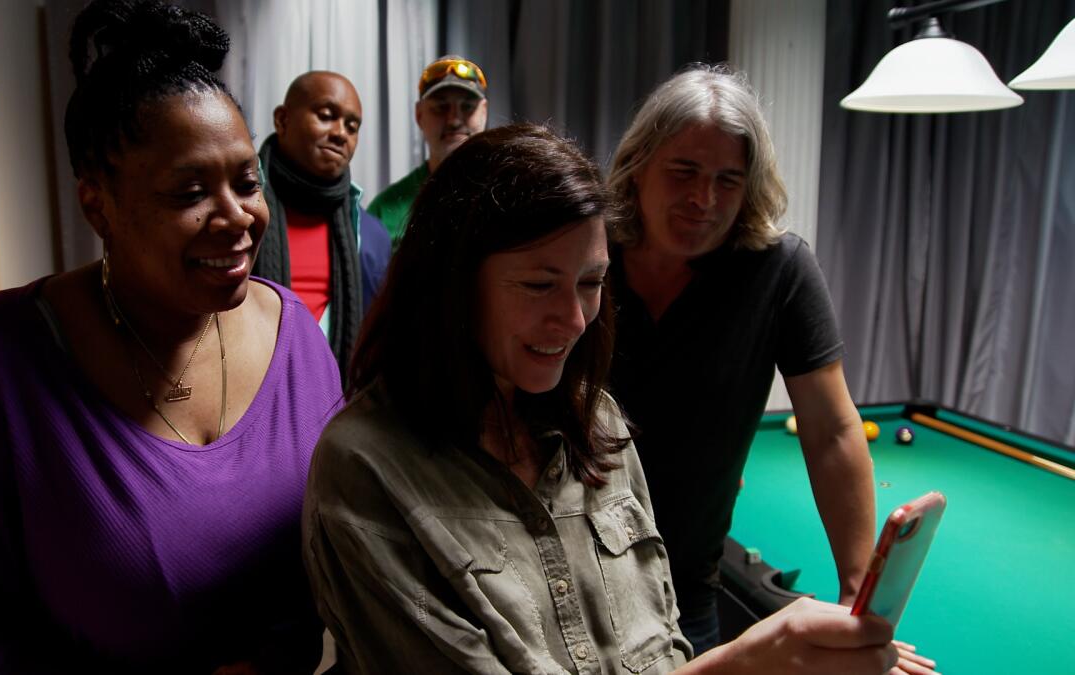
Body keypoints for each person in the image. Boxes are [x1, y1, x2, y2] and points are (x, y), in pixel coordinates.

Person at [302, 123, 908, 674]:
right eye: (540, 284)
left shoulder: (597, 418)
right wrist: (748, 663)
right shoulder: (364, 466)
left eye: (592, 283)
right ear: (452, 286)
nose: (573, 320)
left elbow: (665, 649)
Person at [0, 2, 338, 672]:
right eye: (189, 192)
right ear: (98, 202)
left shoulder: (296, 338)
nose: (238, 217)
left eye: (247, 181)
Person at [605, 64, 932, 671]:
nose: (704, 200)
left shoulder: (779, 269)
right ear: (638, 165)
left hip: (683, 588)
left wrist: (859, 602)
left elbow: (833, 431)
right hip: (563, 573)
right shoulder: (585, 250)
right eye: (684, 172)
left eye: (728, 180)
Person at [251, 71, 391, 377]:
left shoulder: (372, 238)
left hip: (337, 407)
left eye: (352, 127)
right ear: (282, 119)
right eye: (326, 116)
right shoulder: (240, 215)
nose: (341, 133)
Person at [368, 55, 489, 247]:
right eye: (440, 107)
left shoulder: (509, 196)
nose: (454, 120)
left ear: (484, 112)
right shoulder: (385, 210)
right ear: (419, 115)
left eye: (467, 107)